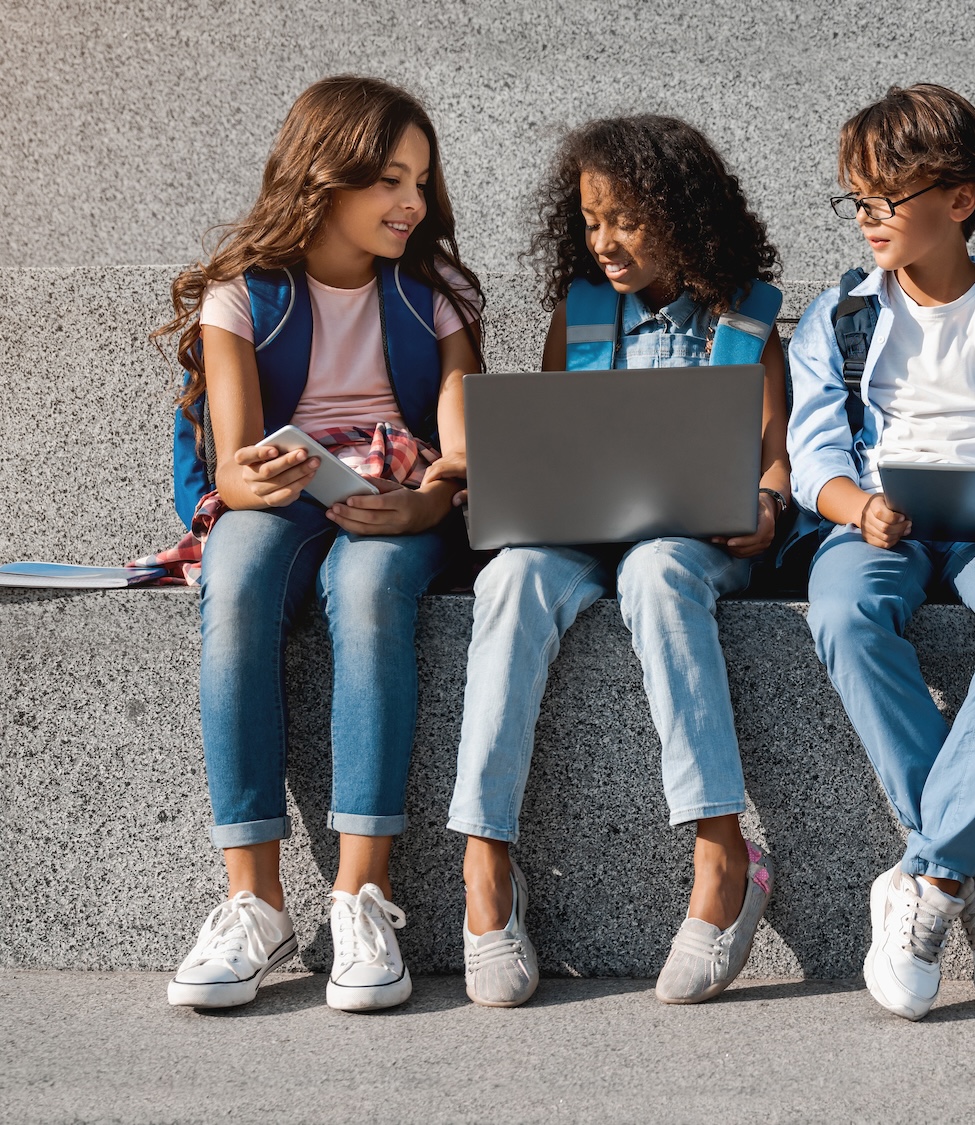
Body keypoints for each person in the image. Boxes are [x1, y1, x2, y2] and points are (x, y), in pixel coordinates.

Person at [154, 75, 482, 1012]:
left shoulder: (435, 293)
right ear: (321, 179)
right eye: (387, 179)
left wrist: (430, 502)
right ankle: (252, 901)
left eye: (421, 180)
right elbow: (233, 456)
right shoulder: (241, 297)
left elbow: (460, 439)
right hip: (288, 494)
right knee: (241, 567)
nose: (412, 202)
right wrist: (242, 484)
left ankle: (360, 895)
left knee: (373, 589)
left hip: (401, 496)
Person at [446, 115, 788, 1008]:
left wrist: (768, 503)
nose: (605, 240)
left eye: (627, 219)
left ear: (684, 215)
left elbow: (776, 455)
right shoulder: (580, 315)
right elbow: (558, 443)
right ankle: (487, 862)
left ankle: (722, 852)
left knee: (653, 573)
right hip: (578, 537)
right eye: (593, 219)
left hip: (690, 546)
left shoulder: (748, 317)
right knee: (510, 576)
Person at [787, 84, 975, 1020]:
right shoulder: (840, 315)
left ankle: (929, 877)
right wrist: (857, 507)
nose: (868, 220)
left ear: (959, 201)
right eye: (857, 200)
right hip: (883, 517)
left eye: (887, 199)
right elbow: (813, 456)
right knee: (839, 606)